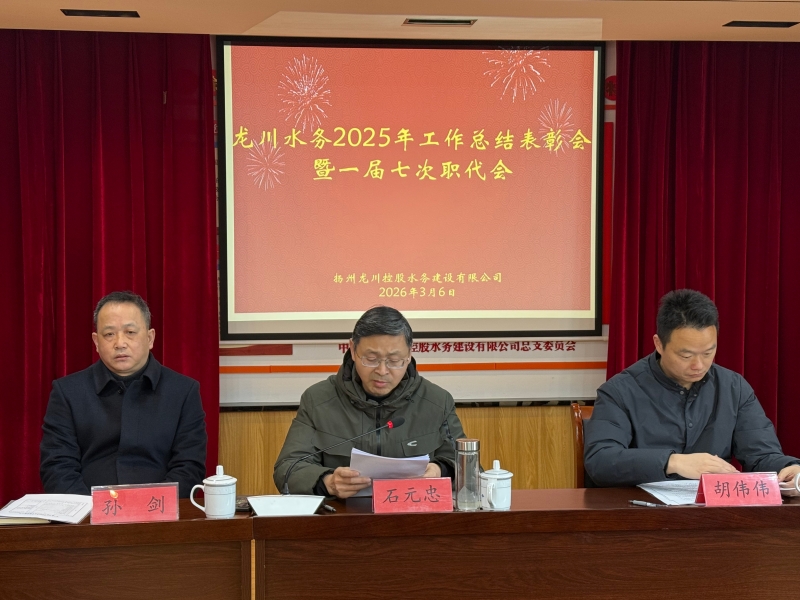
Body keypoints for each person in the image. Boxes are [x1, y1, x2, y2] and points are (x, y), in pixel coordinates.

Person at [585, 289, 800, 488]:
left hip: (714, 510)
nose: (699, 365)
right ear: (659, 344)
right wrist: (673, 462)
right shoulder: (620, 391)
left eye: (708, 353)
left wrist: (790, 468)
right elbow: (600, 461)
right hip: (641, 508)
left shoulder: (734, 388)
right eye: (686, 356)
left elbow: (761, 455)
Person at [274, 306, 466, 498]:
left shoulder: (437, 401)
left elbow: (468, 467)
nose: (382, 371)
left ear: (409, 354)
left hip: (414, 512)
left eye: (394, 360)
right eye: (371, 359)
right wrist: (328, 482)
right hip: (342, 514)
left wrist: (440, 470)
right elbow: (288, 469)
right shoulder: (318, 400)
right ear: (352, 349)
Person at [40, 291, 207, 498]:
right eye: (109, 334)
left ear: (150, 338)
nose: (120, 343)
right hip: (88, 511)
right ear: (96, 342)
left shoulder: (183, 391)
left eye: (130, 332)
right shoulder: (68, 392)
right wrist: (90, 511)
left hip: (160, 511)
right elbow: (57, 466)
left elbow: (189, 467)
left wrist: (152, 508)